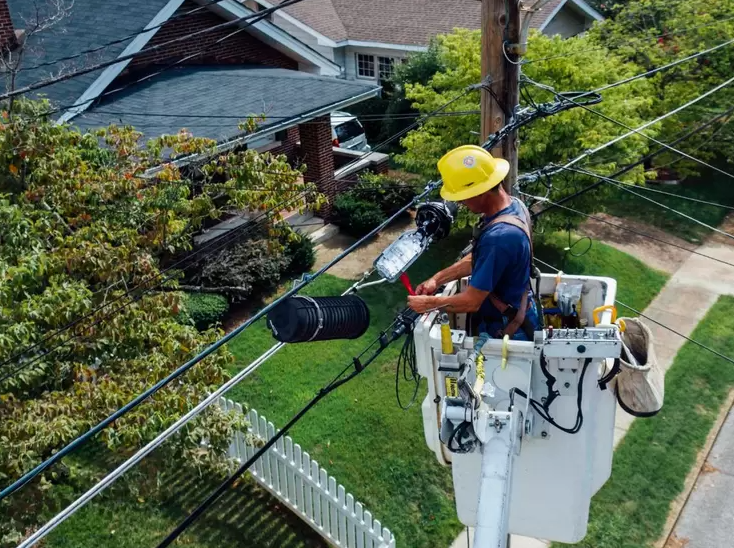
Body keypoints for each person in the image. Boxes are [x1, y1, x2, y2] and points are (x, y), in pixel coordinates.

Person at [407, 145, 541, 340]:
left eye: (462, 197)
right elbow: (480, 259)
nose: (460, 203)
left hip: (508, 330)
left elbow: (471, 302)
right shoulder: (513, 205)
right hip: (516, 312)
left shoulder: (499, 237)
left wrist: (428, 304)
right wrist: (437, 279)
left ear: (481, 192)